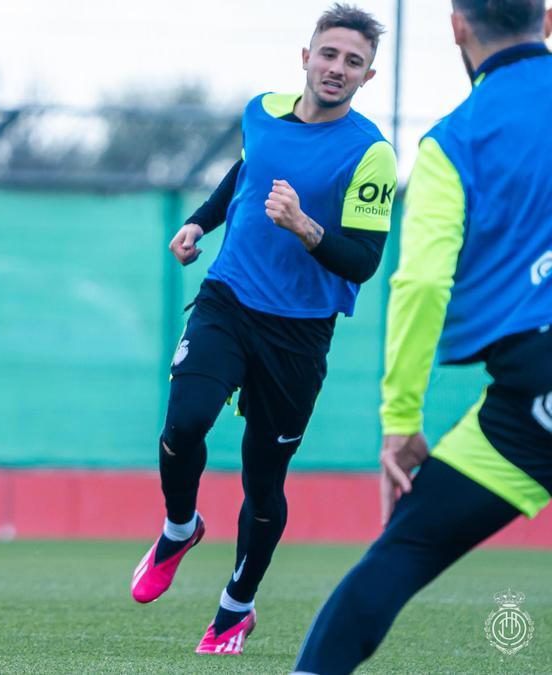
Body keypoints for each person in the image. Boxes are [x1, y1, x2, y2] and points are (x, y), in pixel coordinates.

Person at [128, 3, 397, 655]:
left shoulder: (372, 154)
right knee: (184, 420)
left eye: (353, 62)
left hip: (298, 335)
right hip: (228, 299)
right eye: (328, 54)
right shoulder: (261, 110)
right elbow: (243, 177)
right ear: (306, 57)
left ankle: (235, 608)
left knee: (264, 478)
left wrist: (306, 227)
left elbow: (363, 261)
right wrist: (198, 222)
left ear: (368, 76)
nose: (337, 68)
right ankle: (179, 524)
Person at [294, 2, 552, 672]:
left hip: (536, 398)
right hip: (531, 395)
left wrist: (401, 418)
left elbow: (422, 284)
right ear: (548, 20)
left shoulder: (455, 141)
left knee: (404, 551)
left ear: (456, 25)